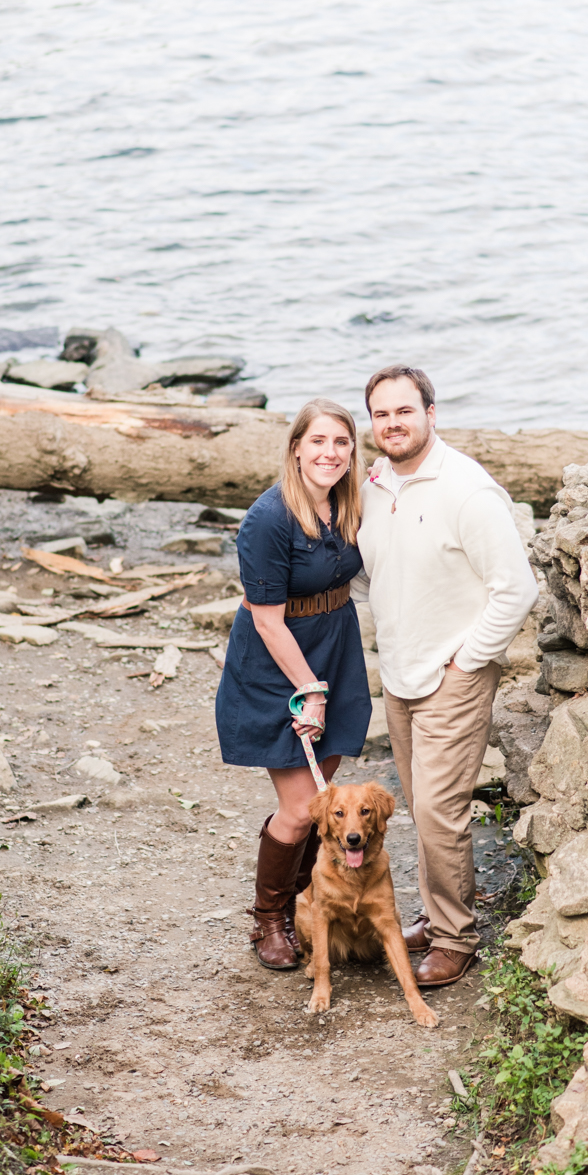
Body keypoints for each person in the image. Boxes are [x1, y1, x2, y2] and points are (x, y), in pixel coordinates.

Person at [352, 365, 538, 986]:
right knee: (421, 808)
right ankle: (436, 919)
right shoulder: (377, 484)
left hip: (453, 676)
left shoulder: (467, 490)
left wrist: (467, 660)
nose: (393, 423)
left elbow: (516, 589)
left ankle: (457, 939)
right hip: (400, 674)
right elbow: (370, 570)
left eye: (405, 411)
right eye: (381, 414)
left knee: (438, 812)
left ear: (433, 413)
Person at [216, 398, 372, 970]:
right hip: (278, 663)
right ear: (296, 448)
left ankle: (310, 904)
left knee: (323, 793)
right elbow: (265, 618)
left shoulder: (351, 502)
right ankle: (269, 921)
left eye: (342, 443)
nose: (330, 453)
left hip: (336, 648)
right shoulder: (269, 518)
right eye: (319, 442)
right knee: (305, 805)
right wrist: (310, 689)